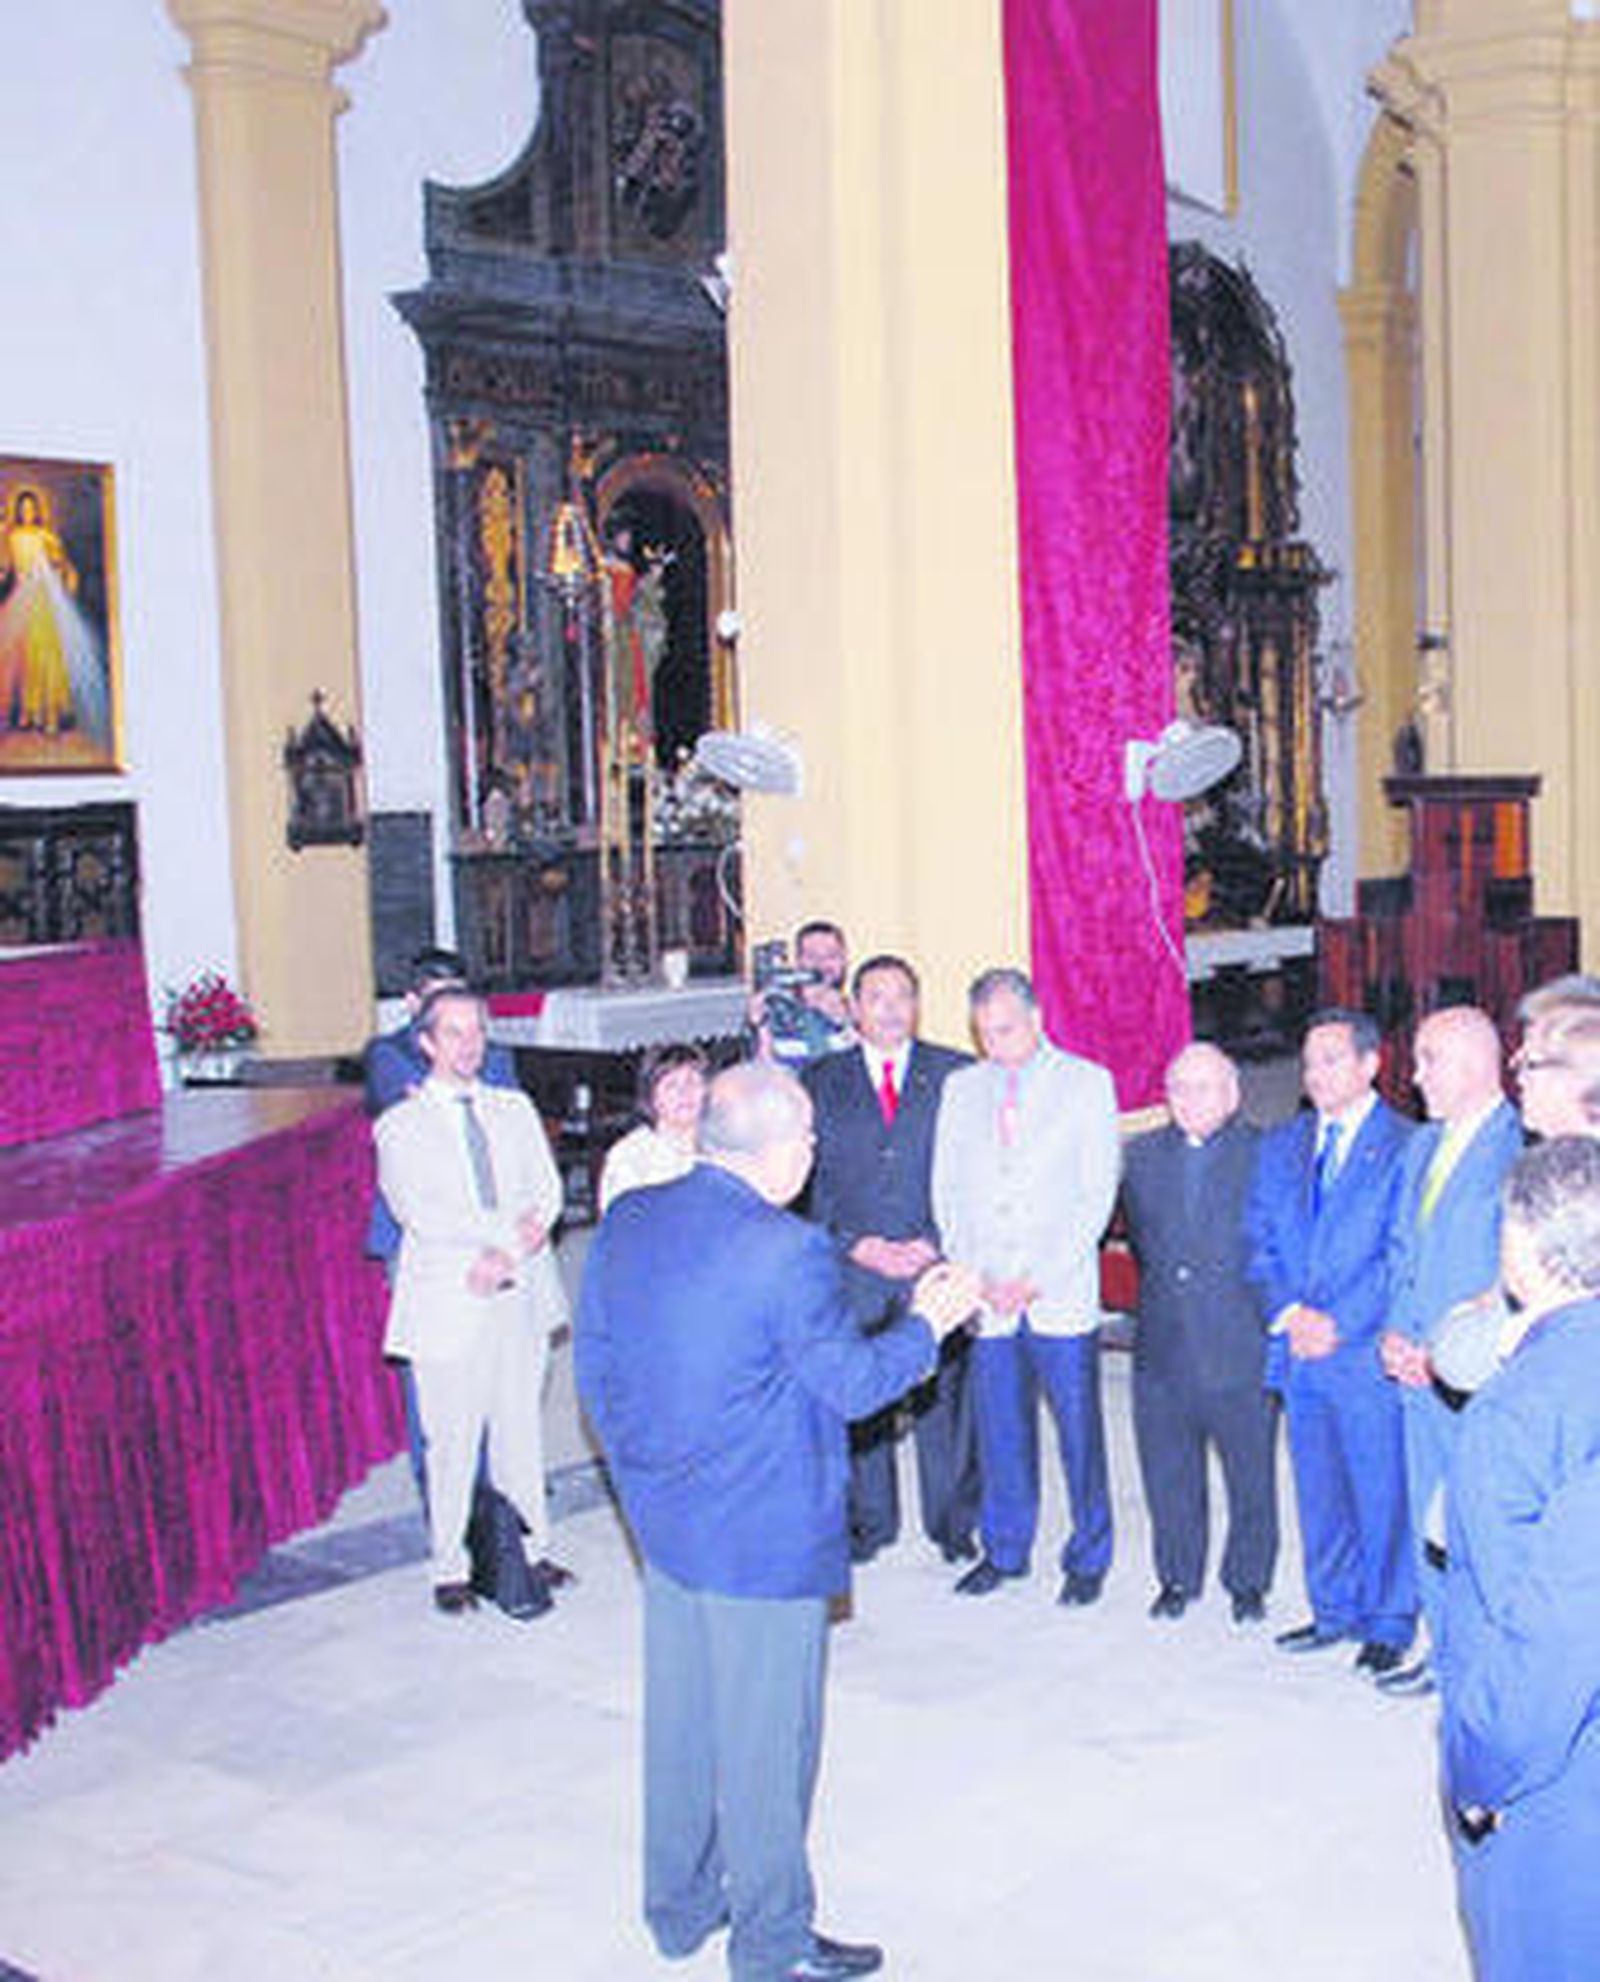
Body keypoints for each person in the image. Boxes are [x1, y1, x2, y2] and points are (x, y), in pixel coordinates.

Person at [575, 1061, 979, 1982]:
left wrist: (642, 1482)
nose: (813, 1149)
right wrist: (929, 1322)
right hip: (759, 1530)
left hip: (670, 1522)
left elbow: (596, 1365)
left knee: (682, 1723)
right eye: (806, 1136)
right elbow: (853, 1385)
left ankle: (678, 1908)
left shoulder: (634, 1216)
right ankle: (772, 1943)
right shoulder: (784, 1249)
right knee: (768, 1743)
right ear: (773, 1152)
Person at [1439, 1136, 1600, 1981]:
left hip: (1561, 1779)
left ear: (1521, 1248)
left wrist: (1479, 1772)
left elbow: (1529, 1631)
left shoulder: (1516, 1408)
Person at [376, 988, 570, 1616]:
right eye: (453, 1033)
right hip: (451, 1295)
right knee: (453, 1438)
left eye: (477, 1033)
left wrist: (508, 1255)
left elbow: (545, 1191)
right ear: (427, 1043)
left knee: (520, 1429)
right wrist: (499, 1240)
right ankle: (450, 1565)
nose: (468, 1045)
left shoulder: (514, 1108)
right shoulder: (399, 1125)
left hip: (517, 1289)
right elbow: (423, 1211)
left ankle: (532, 1550)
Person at [931, 967, 1120, 1604]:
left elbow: (1096, 1195)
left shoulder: (1087, 1084)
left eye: (1007, 1030)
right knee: (1000, 1430)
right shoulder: (961, 1089)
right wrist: (975, 1273)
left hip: (1056, 1290)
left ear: (1037, 1019)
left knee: (1078, 1432)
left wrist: (1035, 1278)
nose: (996, 1044)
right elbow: (947, 1191)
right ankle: (1005, 1548)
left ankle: (1089, 1554)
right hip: (986, 1296)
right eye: (984, 1033)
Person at [1246, 1007, 1417, 1677]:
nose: (1315, 1074)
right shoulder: (1280, 1143)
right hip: (1298, 1346)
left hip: (1363, 1348)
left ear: (1371, 1065)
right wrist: (1290, 1313)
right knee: (1317, 1487)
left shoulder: (1405, 1144)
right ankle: (1335, 1609)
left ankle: (1390, 1619)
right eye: (1309, 1062)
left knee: (1380, 1488)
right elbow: (1256, 1241)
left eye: (1332, 1060)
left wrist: (1339, 1323)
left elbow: (1398, 1254)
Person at [804, 953, 979, 1565]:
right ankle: (868, 1520)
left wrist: (935, 1239)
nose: (889, 1009)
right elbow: (807, 1181)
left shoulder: (957, 1074)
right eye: (875, 997)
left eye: (901, 996)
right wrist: (854, 1242)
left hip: (936, 1258)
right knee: (862, 1390)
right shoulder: (820, 1079)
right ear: (853, 1007)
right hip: (857, 1263)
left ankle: (954, 1521)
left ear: (917, 1004)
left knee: (948, 1397)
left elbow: (975, 1174)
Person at [1378, 1006, 1524, 1696]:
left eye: (1428, 1060)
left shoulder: (1519, 1150)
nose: (1414, 1076)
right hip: (1415, 1367)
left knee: (1475, 1521)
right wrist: (1396, 1335)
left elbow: (1509, 1281)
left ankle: (1477, 1658)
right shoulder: (1422, 1144)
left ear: (1471, 1063)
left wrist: (1443, 1352)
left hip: (1476, 1376)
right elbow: (1402, 1252)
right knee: (1425, 1510)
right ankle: (1439, 1649)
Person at [1121, 1042, 1278, 1624]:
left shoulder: (1266, 1154)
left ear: (1233, 1094)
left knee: (1250, 1474)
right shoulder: (1139, 1157)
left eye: (1205, 1087)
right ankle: (1177, 1576)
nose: (1189, 1099)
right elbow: (1144, 1244)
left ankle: (1248, 1581)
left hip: (1240, 1342)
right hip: (1162, 1346)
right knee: (1168, 1472)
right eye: (1179, 1088)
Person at [363, 946, 520, 1502]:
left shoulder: (496, 1058)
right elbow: (411, 1108)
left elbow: (512, 1132)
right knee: (435, 1381)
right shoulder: (387, 1053)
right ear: (414, 1007)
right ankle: (446, 1501)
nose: (462, 1034)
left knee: (502, 1372)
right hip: (422, 1235)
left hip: (494, 1232)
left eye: (467, 1014)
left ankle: (506, 1501)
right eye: (439, 1009)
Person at [598, 1041, 710, 1214]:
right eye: (671, 1085)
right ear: (652, 1097)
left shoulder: (722, 1146)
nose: (684, 1093)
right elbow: (621, 1226)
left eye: (692, 1082)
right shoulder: (629, 1156)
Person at [750, 920, 855, 1069]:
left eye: (831, 956)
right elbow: (763, 1075)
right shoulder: (777, 1012)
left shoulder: (861, 1011)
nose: (821, 964)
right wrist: (761, 1026)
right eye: (812, 956)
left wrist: (844, 1023)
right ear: (798, 961)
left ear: (844, 960)